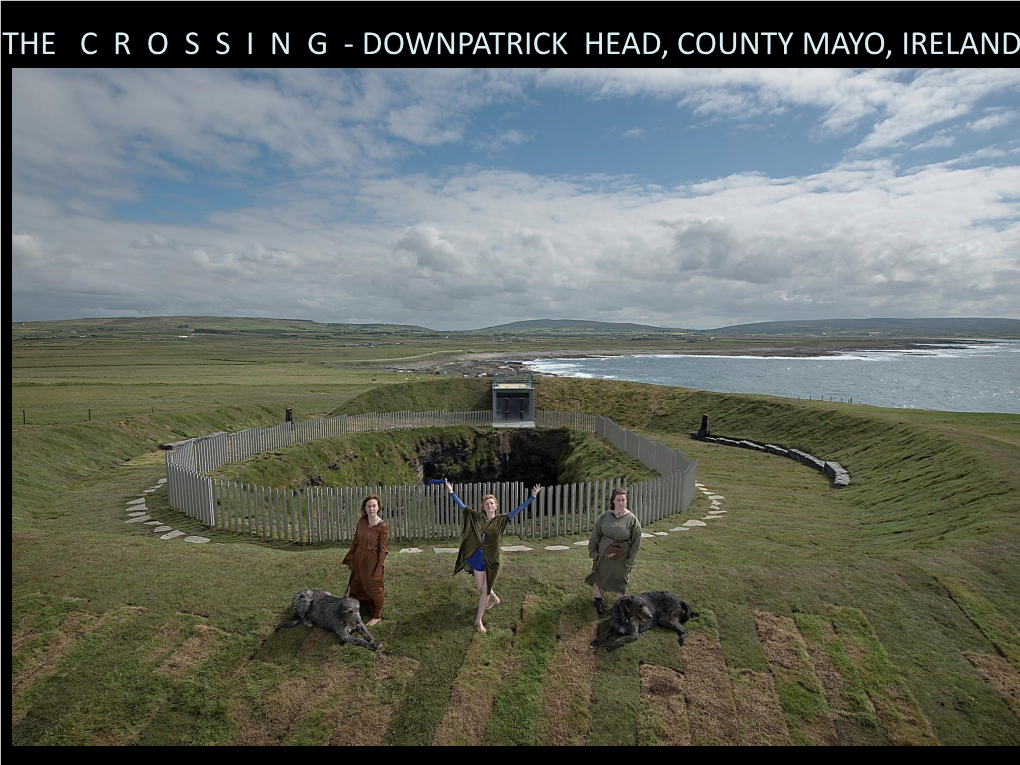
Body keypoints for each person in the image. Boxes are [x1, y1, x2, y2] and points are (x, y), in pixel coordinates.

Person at [446, 478, 543, 633]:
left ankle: (478, 620)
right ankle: (496, 599)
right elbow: (464, 508)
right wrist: (451, 493)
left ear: (496, 506)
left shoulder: (502, 519)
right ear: (483, 507)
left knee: (485, 590)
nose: (489, 505)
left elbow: (519, 509)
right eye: (486, 504)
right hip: (479, 558)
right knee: (480, 587)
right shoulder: (478, 518)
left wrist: (533, 496)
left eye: (492, 503)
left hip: (493, 560)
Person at [585, 487, 641, 615]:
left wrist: (631, 560)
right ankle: (598, 600)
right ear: (613, 501)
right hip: (604, 552)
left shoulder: (631, 519)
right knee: (601, 574)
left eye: (623, 500)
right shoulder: (605, 516)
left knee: (620, 578)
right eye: (618, 500)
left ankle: (620, 604)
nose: (621, 503)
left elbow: (637, 540)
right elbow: (596, 534)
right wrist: (593, 550)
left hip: (622, 555)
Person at [341, 494, 388, 626]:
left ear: (378, 507)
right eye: (369, 506)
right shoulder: (362, 521)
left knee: (374, 586)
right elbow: (356, 540)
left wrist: (379, 568)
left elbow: (383, 550)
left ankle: (377, 615)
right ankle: (355, 609)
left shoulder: (382, 527)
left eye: (374, 506)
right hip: (359, 557)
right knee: (356, 584)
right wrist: (352, 558)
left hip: (372, 559)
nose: (371, 509)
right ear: (365, 508)